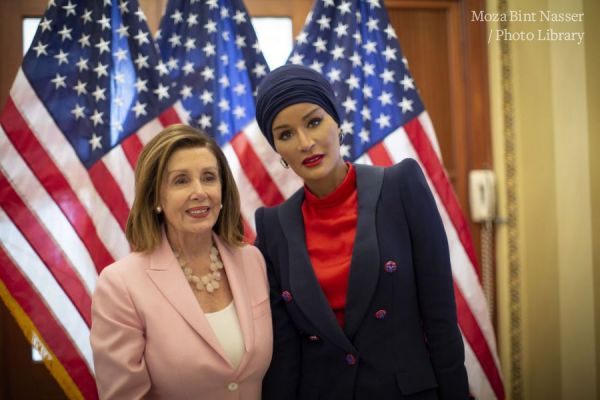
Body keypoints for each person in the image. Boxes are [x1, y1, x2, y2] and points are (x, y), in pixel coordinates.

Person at [254, 64, 470, 400]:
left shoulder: (401, 186)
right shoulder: (271, 227)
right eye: (285, 134)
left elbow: (440, 319)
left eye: (313, 121)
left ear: (336, 123)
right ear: (277, 149)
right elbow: (285, 351)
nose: (306, 143)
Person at [90, 124, 272, 399]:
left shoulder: (253, 260)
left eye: (209, 177)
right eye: (181, 180)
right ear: (155, 198)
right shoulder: (120, 284)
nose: (199, 191)